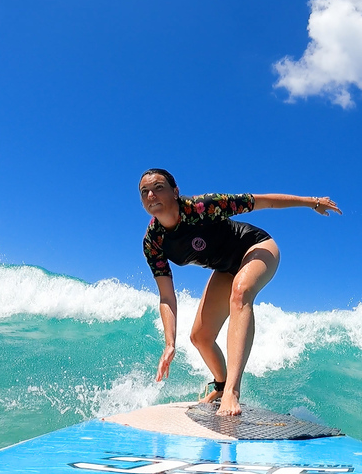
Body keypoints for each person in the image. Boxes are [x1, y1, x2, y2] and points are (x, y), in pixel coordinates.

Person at [139, 168, 342, 416]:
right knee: (200, 337)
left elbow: (264, 201)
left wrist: (313, 202)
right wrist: (169, 343)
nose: (151, 195)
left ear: (175, 191)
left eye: (158, 187)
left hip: (256, 246)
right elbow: (167, 297)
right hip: (226, 268)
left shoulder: (203, 206)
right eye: (144, 191)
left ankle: (232, 392)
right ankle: (221, 384)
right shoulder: (153, 242)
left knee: (240, 293)